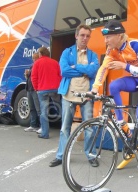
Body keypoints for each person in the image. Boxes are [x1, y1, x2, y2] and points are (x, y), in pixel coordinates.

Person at [91, 20, 138, 169]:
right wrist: (95, 89)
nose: (105, 40)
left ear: (119, 35)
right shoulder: (112, 50)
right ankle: (122, 124)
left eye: (108, 37)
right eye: (105, 37)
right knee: (113, 85)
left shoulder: (136, 45)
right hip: (136, 79)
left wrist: (124, 66)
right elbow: (104, 68)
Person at [49, 24, 100, 167]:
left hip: (87, 96)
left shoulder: (93, 55)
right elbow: (64, 71)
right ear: (76, 36)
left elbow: (93, 71)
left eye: (87, 36)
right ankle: (61, 156)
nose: (85, 38)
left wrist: (75, 67)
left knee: (89, 128)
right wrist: (84, 70)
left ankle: (91, 155)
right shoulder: (67, 52)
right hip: (68, 95)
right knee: (65, 128)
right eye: (82, 35)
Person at [31, 47, 61, 139]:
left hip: (42, 90)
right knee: (61, 109)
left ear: (40, 54)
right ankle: (65, 130)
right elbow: (60, 76)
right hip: (55, 89)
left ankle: (45, 133)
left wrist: (36, 89)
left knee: (43, 112)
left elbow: (34, 77)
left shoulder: (37, 63)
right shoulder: (55, 62)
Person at [24, 53, 41, 132]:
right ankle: (33, 125)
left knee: (38, 108)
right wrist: (27, 75)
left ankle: (41, 126)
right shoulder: (32, 66)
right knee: (32, 108)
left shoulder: (38, 65)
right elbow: (29, 78)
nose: (34, 59)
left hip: (35, 89)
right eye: (33, 58)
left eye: (35, 58)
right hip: (29, 88)